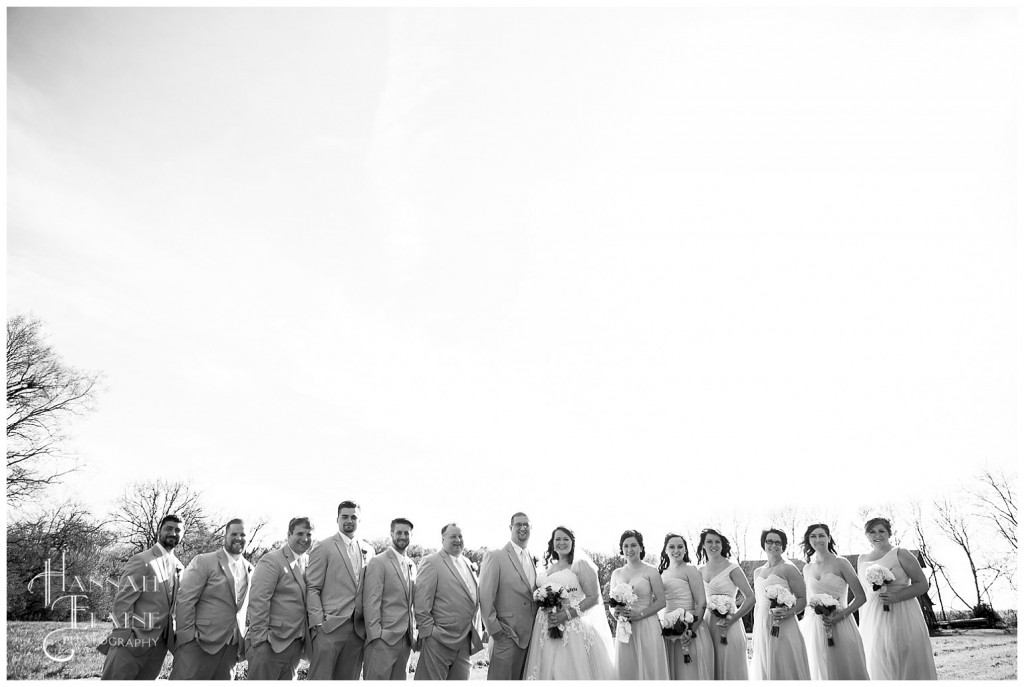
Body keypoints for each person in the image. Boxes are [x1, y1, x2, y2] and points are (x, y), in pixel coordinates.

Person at [522, 526, 616, 680]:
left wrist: (565, 615)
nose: (561, 542)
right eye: (557, 539)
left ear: (573, 543)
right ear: (552, 543)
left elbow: (593, 597)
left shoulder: (580, 565)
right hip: (544, 628)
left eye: (566, 539)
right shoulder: (547, 567)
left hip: (571, 628)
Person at [99, 514, 183, 680]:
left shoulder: (180, 566)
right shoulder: (142, 560)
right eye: (169, 528)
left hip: (159, 647)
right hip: (131, 642)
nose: (173, 533)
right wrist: (123, 636)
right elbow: (123, 601)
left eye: (178, 530)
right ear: (160, 530)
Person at [170, 519, 252, 680]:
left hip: (231, 647)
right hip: (199, 644)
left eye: (243, 534)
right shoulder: (204, 561)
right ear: (225, 536)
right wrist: (187, 640)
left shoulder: (250, 568)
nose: (238, 538)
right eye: (234, 533)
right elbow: (185, 600)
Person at [856, 517, 937, 680]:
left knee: (902, 653)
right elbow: (864, 591)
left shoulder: (901, 553)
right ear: (866, 535)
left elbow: (922, 584)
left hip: (902, 611)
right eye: (872, 532)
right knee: (878, 656)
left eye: (881, 531)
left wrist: (896, 596)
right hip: (873, 615)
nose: (876, 535)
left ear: (889, 533)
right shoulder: (862, 558)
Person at [306, 500, 376, 680]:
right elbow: (312, 587)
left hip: (358, 630)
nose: (349, 520)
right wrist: (318, 623)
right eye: (344, 516)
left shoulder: (369, 550)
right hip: (329, 627)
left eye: (354, 517)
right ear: (337, 519)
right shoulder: (323, 547)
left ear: (360, 520)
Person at [245, 517, 314, 680]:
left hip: (295, 645)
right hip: (270, 643)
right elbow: (259, 600)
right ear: (289, 535)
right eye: (300, 533)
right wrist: (261, 641)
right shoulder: (272, 560)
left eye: (309, 534)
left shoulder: (308, 561)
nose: (305, 538)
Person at [798, 523, 869, 680]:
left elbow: (861, 596)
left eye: (822, 535)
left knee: (845, 667)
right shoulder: (807, 568)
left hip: (841, 623)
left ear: (829, 538)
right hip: (816, 627)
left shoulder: (841, 562)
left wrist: (840, 615)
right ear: (808, 540)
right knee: (819, 669)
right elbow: (810, 601)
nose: (818, 539)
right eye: (813, 536)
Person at [413, 523, 484, 680]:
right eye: (453, 536)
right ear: (442, 539)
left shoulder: (466, 562)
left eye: (460, 536)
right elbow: (421, 604)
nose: (457, 540)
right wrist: (430, 633)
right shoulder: (431, 562)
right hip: (439, 639)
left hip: (465, 639)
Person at [479, 512, 539, 680]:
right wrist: (495, 631)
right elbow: (485, 597)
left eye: (526, 524)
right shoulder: (495, 556)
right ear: (510, 527)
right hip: (506, 635)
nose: (523, 528)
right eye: (518, 524)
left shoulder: (531, 558)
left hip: (531, 638)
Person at [749, 528, 810, 680]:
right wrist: (757, 630)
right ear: (764, 544)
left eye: (778, 542)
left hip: (784, 623)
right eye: (769, 541)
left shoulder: (788, 568)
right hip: (763, 624)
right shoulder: (757, 572)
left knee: (784, 663)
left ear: (783, 546)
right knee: (765, 665)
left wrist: (789, 612)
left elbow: (803, 598)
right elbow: (758, 604)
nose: (774, 545)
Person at [362, 518, 417, 680]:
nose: (402, 536)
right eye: (398, 532)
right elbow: (371, 602)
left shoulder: (411, 565)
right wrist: (376, 635)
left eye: (406, 533)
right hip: (383, 640)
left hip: (405, 641)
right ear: (391, 533)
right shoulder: (379, 562)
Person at [610, 529, 669, 679]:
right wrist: (615, 613)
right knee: (628, 669)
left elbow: (662, 601)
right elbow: (612, 603)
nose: (629, 550)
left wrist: (639, 614)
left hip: (647, 624)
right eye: (626, 546)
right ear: (622, 549)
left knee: (649, 666)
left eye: (633, 545)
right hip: (624, 627)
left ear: (641, 548)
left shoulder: (651, 571)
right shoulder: (616, 573)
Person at [697, 528, 754, 680]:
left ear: (722, 545)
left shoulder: (732, 568)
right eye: (709, 541)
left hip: (729, 623)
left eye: (717, 542)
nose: (713, 545)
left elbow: (750, 597)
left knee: (730, 666)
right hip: (707, 624)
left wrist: (732, 619)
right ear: (703, 545)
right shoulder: (700, 570)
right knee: (710, 665)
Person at [658, 533, 713, 680]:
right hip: (669, 630)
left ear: (685, 550)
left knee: (688, 674)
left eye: (680, 546)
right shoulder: (662, 573)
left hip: (689, 627)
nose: (676, 550)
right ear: (665, 550)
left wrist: (691, 630)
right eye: (672, 547)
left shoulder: (690, 569)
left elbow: (702, 602)